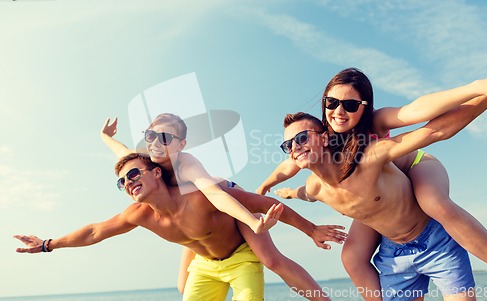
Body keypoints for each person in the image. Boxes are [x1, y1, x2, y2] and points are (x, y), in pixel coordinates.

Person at [258, 70, 487, 300]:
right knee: (352, 256)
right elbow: (293, 170)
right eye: (331, 103)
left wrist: (482, 90)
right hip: (385, 207)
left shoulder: (374, 128)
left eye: (351, 105)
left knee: (433, 202)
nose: (339, 111)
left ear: (364, 107)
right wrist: (273, 188)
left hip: (414, 164)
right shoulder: (319, 147)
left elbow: (423, 120)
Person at [14, 153, 346, 301]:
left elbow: (260, 204)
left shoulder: (199, 195)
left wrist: (311, 230)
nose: (129, 182)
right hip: (204, 265)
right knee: (182, 287)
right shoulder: (139, 214)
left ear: (156, 172)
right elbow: (95, 231)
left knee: (273, 261)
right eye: (122, 182)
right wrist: (47, 244)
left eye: (133, 174)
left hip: (241, 256)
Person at [101, 115, 346, 300]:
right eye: (150, 136)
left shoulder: (185, 163)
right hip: (196, 213)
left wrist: (303, 228)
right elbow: (123, 152)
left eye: (164, 137)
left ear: (180, 143)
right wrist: (106, 137)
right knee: (182, 287)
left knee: (271, 260)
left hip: (228, 198)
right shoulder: (146, 163)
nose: (155, 142)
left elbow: (215, 194)